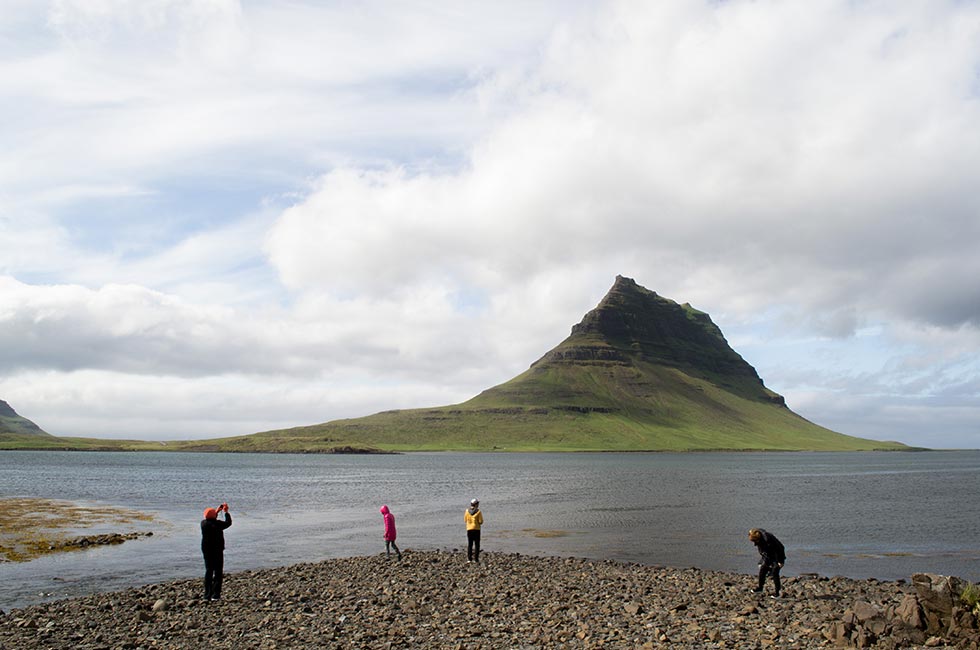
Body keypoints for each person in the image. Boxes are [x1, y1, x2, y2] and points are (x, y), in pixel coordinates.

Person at [201, 503, 232, 601]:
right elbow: (228, 523)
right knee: (218, 572)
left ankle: (207, 595)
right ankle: (216, 595)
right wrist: (226, 512)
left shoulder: (203, 523)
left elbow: (211, 518)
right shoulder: (217, 524)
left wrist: (217, 511)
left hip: (206, 550)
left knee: (208, 571)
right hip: (217, 550)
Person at [748, 528, 785, 598]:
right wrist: (762, 561)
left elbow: (781, 548)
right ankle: (760, 588)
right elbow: (763, 551)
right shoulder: (758, 535)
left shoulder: (768, 540)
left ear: (758, 539)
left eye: (754, 541)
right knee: (762, 570)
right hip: (767, 556)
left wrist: (781, 561)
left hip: (777, 556)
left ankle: (778, 593)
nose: (754, 544)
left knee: (775, 572)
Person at [465, 498, 483, 563]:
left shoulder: (467, 511)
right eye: (478, 503)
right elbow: (481, 521)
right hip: (476, 529)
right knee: (477, 544)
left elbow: (465, 520)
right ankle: (476, 559)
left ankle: (469, 559)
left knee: (470, 544)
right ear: (476, 504)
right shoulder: (478, 511)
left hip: (469, 529)